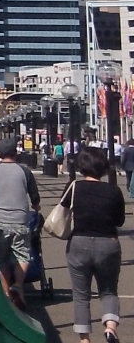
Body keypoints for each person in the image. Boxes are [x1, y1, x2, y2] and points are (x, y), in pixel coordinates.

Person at [66, 147, 126, 343]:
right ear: (104, 167)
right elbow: (119, 221)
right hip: (108, 244)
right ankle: (110, 326)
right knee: (108, 290)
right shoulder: (113, 191)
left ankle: (84, 339)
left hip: (78, 242)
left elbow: (63, 210)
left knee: (81, 294)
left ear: (81, 166)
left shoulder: (74, 187)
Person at [0, 138, 41, 309]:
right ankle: (18, 286)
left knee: (1, 258)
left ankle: (6, 294)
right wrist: (36, 207)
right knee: (22, 255)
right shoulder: (25, 171)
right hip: (20, 219)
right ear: (16, 153)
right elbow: (34, 196)